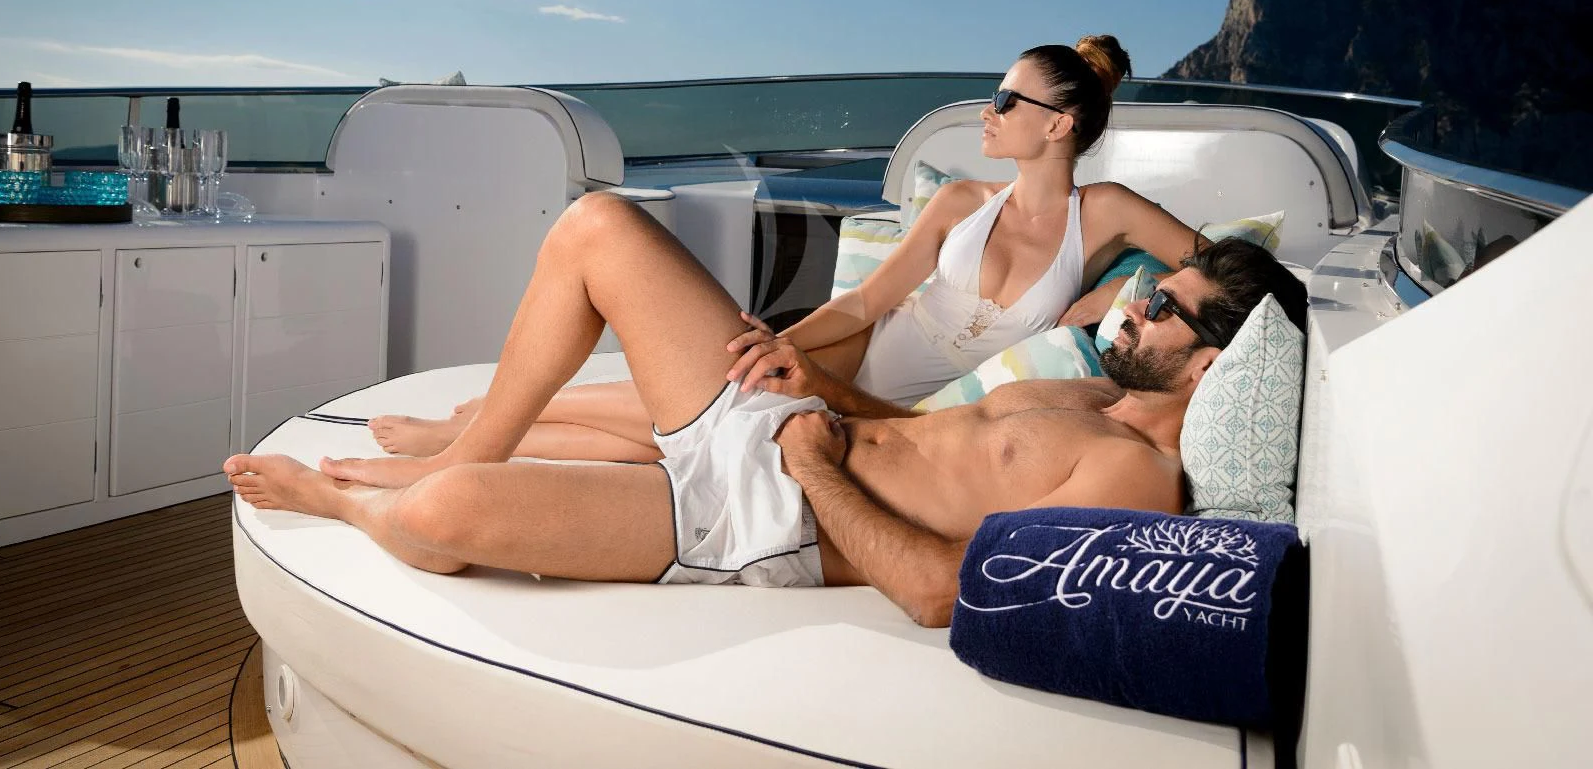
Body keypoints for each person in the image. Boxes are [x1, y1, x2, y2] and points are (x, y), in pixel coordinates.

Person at [225, 191, 1307, 628]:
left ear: (1210, 371)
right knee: (598, 224)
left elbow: (938, 591)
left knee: (450, 516)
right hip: (798, 433)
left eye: (1165, 307)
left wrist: (813, 466)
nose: (1136, 300)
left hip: (778, 516)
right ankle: (459, 444)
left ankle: (366, 506)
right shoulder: (1076, 386)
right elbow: (916, 435)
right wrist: (807, 384)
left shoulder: (1136, 482)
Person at [369, 36, 1204, 463]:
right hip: (847, 349)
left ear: (1057, 124)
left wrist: (1118, 300)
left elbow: (1228, 265)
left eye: (1003, 98)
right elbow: (867, 302)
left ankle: (476, 427)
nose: (984, 111)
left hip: (876, 409)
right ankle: (470, 429)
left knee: (658, 424)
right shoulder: (959, 200)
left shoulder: (1109, 215)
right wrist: (775, 343)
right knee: (703, 396)